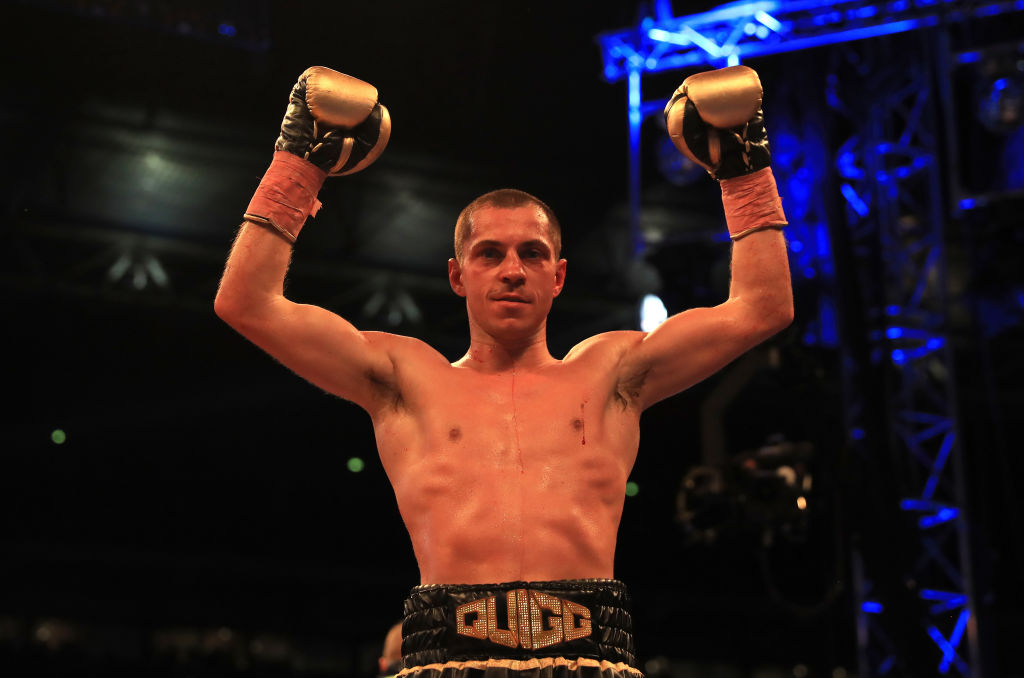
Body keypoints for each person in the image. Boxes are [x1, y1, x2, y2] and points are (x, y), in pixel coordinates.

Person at [214, 65, 792, 678]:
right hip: (447, 656)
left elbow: (763, 306)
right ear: (458, 275)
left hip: (593, 657)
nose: (512, 270)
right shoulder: (406, 378)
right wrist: (297, 164)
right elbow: (246, 303)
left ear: (558, 277)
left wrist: (744, 169)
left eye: (532, 254)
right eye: (489, 254)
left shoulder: (613, 374)